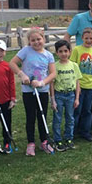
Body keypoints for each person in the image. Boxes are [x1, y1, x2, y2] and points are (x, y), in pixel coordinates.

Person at [64, 0, 92, 131]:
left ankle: (90, 123)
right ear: (90, 5)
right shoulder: (79, 18)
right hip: (80, 61)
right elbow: (67, 35)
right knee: (79, 93)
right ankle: (75, 125)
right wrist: (67, 54)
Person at [10, 28, 56, 156]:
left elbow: (53, 73)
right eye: (33, 40)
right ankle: (30, 143)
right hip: (28, 91)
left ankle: (44, 141)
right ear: (29, 41)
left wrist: (42, 82)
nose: (36, 42)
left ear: (44, 39)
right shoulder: (26, 51)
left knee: (42, 116)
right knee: (30, 117)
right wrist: (21, 74)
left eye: (38, 39)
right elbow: (12, 63)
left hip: (42, 91)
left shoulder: (48, 55)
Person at [70, 27, 92, 142]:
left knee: (87, 110)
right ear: (82, 38)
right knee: (76, 109)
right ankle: (72, 131)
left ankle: (85, 131)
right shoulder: (77, 50)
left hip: (90, 86)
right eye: (86, 38)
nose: (88, 40)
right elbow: (72, 66)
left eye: (91, 38)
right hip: (79, 86)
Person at [50, 40, 82, 151]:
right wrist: (52, 99)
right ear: (56, 53)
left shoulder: (74, 65)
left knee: (70, 118)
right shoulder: (54, 66)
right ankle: (57, 139)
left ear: (70, 51)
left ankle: (69, 138)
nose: (63, 54)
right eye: (60, 51)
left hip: (71, 96)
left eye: (66, 51)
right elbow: (52, 83)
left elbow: (78, 82)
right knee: (57, 118)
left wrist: (77, 98)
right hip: (59, 95)